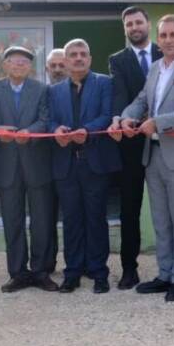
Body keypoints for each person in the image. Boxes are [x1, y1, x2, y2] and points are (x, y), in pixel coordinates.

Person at [112, 14, 174, 302]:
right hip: (152, 154)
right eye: (163, 35)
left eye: (173, 35)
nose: (167, 40)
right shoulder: (155, 68)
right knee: (160, 219)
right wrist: (124, 117)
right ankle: (165, 274)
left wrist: (157, 122)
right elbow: (142, 100)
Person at [51, 39, 120, 293]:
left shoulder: (105, 83)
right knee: (71, 220)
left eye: (83, 54)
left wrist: (88, 131)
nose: (78, 58)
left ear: (90, 59)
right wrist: (55, 129)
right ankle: (72, 272)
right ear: (66, 60)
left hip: (94, 162)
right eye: (73, 55)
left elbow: (107, 114)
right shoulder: (55, 91)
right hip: (66, 164)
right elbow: (51, 120)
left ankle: (98, 271)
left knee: (96, 219)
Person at [0, 45, 58, 293]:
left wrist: (30, 132)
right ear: (5, 65)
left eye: (24, 62)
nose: (19, 65)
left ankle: (41, 272)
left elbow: (45, 118)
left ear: (31, 67)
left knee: (41, 220)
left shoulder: (42, 89)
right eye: (14, 61)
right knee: (12, 220)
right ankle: (17, 273)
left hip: (36, 162)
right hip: (6, 163)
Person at [107, 6, 162, 289]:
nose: (134, 27)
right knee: (129, 209)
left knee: (166, 209)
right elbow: (119, 93)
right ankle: (130, 268)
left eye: (138, 22)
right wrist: (120, 117)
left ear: (148, 24)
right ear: (125, 29)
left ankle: (171, 268)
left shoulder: (166, 53)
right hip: (130, 144)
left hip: (165, 141)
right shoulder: (117, 60)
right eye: (129, 24)